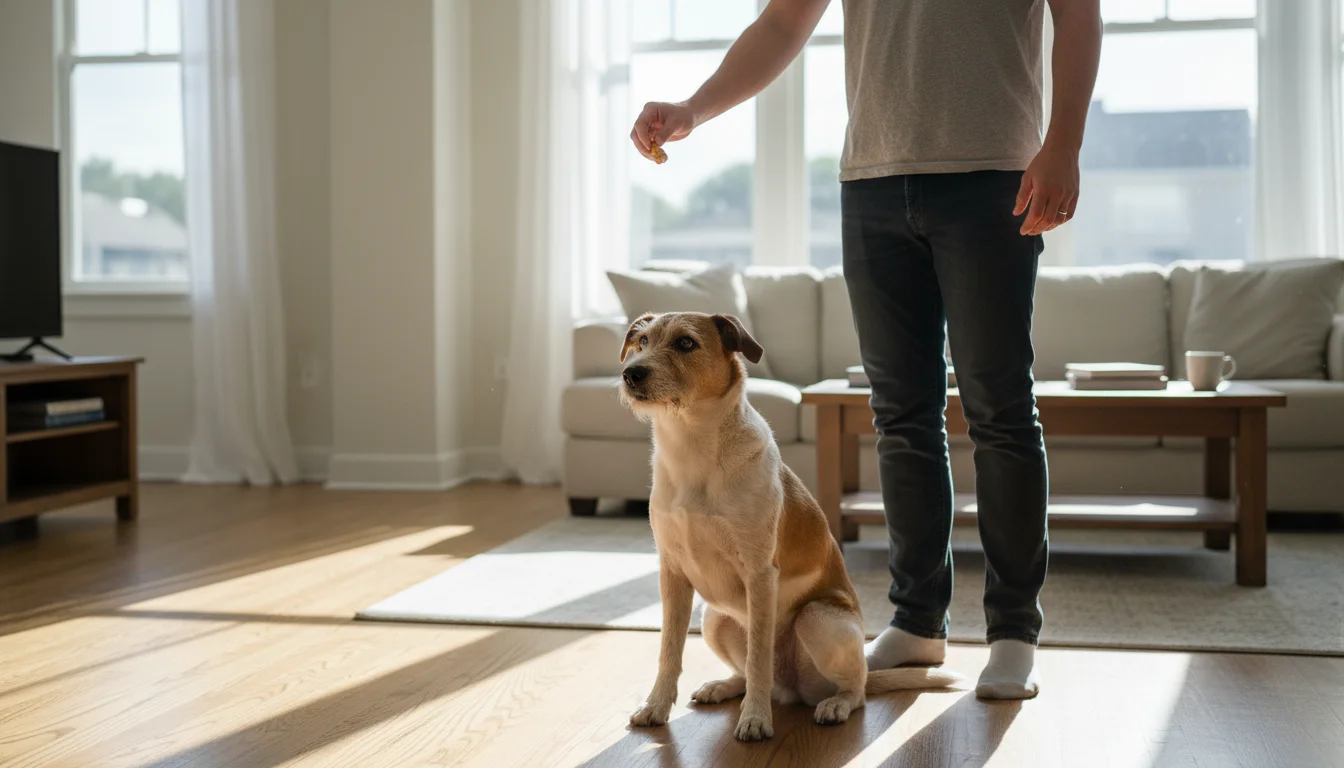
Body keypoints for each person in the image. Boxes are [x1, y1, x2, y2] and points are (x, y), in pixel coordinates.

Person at [630, 0, 1101, 699]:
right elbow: (781, 24)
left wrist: (1063, 142)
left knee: (999, 409)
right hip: (872, 185)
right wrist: (694, 110)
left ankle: (1012, 632)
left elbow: (1080, 15)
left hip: (995, 176)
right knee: (901, 415)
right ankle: (917, 621)